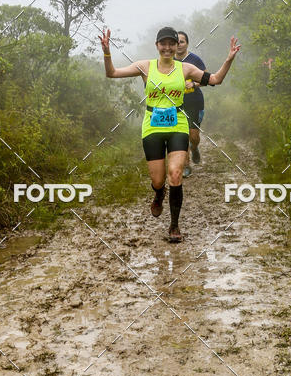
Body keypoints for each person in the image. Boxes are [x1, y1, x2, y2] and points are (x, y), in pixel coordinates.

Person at [100, 25, 240, 242]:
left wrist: (229, 58)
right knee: (158, 180)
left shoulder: (185, 69)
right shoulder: (145, 66)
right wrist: (107, 52)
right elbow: (112, 73)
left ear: (176, 46)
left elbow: (215, 80)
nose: (167, 47)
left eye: (171, 43)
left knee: (175, 174)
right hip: (153, 127)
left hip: (178, 125)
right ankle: (158, 192)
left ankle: (174, 226)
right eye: (163, 43)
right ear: (157, 46)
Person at [175, 30, 205, 177]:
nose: (179, 45)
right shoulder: (168, 61)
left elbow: (207, 79)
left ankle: (195, 147)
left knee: (193, 136)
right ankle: (186, 166)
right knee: (181, 136)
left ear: (187, 43)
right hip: (176, 104)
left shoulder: (195, 59)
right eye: (177, 42)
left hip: (195, 103)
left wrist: (193, 83)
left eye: (182, 41)